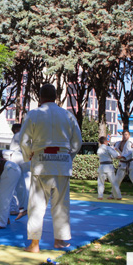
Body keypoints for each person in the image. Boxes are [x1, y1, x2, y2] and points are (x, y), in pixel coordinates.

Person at [19, 84, 82, 253]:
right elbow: (77, 141)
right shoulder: (67, 115)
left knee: (36, 205)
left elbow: (23, 141)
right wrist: (69, 155)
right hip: (62, 162)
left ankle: (34, 245)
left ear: (39, 97)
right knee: (61, 205)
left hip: (41, 162)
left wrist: (29, 155)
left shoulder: (34, 114)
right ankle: (59, 241)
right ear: (56, 96)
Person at [114, 130, 133, 200]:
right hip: (122, 164)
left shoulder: (130, 143)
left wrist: (123, 156)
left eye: (126, 134)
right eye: (123, 134)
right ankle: (113, 194)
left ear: (129, 136)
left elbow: (130, 152)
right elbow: (113, 150)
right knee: (117, 180)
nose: (124, 136)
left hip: (130, 164)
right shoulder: (118, 143)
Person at [8, 123, 29, 219]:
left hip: (16, 160)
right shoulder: (22, 135)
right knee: (21, 186)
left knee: (13, 186)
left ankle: (16, 208)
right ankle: (22, 207)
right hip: (21, 160)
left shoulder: (19, 135)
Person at [96, 135, 121, 200]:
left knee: (101, 182)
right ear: (105, 142)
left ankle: (100, 196)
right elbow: (115, 155)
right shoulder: (107, 148)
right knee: (113, 182)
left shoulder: (99, 149)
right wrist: (114, 150)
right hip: (108, 167)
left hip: (101, 166)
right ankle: (118, 196)